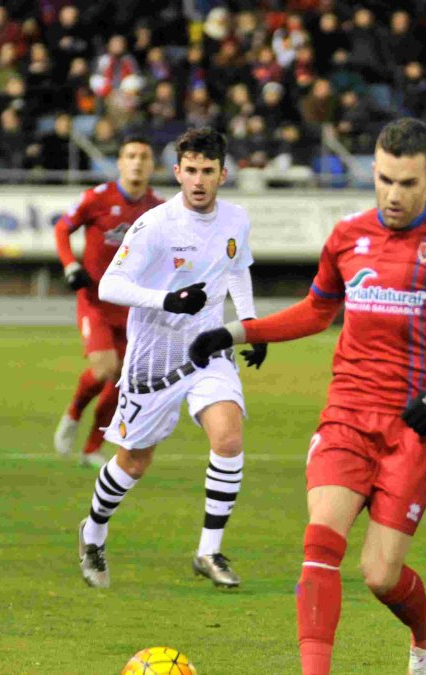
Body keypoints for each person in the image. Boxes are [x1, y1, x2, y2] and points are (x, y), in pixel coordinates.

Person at [188, 118, 426, 675]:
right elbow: (317, 310)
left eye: (407, 183)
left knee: (381, 575)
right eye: (384, 179)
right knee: (319, 545)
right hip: (346, 417)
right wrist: (238, 331)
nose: (393, 194)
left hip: (416, 427)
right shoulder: (347, 236)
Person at [77, 127, 267, 590]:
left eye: (208, 172)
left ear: (223, 174)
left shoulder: (236, 219)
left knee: (228, 438)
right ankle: (93, 529)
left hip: (209, 349)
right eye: (191, 171)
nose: (199, 181)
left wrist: (249, 324)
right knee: (134, 463)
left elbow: (237, 268)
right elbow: (109, 286)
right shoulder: (155, 224)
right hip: (154, 356)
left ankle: (209, 550)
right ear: (178, 172)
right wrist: (168, 300)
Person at [52, 136, 162, 468]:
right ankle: (73, 413)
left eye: (144, 156)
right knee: (104, 368)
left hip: (132, 306)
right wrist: (71, 264)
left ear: (152, 165)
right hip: (96, 299)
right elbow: (62, 228)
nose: (137, 162)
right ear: (120, 163)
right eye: (131, 155)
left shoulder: (158, 208)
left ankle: (91, 449)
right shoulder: (98, 198)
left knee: (122, 379)